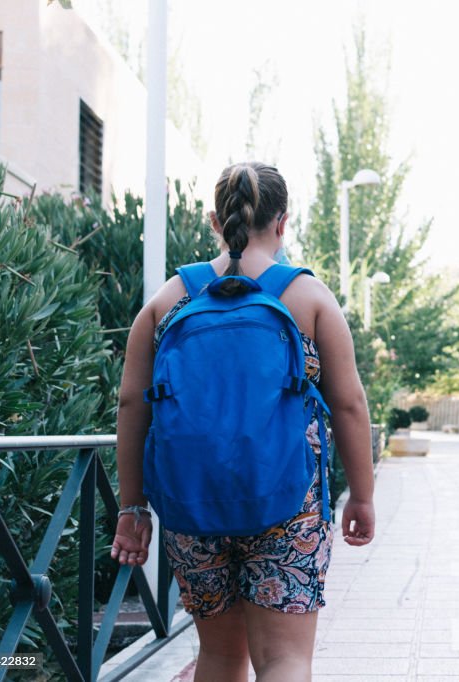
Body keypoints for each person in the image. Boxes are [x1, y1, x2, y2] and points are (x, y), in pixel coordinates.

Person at [111, 162, 376, 681]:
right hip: (289, 504)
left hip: (192, 506)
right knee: (285, 660)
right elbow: (349, 406)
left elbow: (130, 406)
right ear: (282, 222)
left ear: (215, 220)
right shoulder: (308, 297)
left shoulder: (168, 299)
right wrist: (362, 497)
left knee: (217, 657)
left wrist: (132, 506)